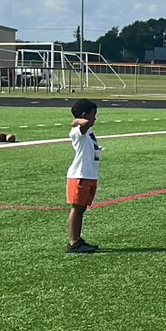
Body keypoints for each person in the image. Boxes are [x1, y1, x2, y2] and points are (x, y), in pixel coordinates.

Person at [65, 98, 101, 254]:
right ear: (85, 115)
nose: (95, 118)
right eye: (93, 114)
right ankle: (73, 242)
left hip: (89, 175)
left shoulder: (88, 132)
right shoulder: (77, 131)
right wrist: (77, 120)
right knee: (77, 209)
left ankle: (77, 238)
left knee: (82, 209)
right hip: (79, 175)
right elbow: (83, 124)